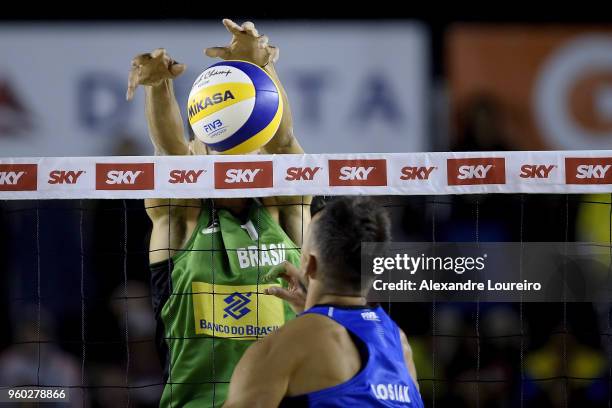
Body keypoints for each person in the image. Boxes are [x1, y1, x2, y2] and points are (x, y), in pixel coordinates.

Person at [126, 19, 311, 407]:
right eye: (210, 145)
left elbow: (283, 145)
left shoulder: (284, 213)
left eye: (247, 145)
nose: (230, 155)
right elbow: (170, 156)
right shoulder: (180, 219)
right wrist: (159, 86)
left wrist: (260, 67)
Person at [224, 197, 424, 407]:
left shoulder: (285, 344)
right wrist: (310, 314)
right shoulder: (400, 344)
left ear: (309, 264)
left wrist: (307, 323)